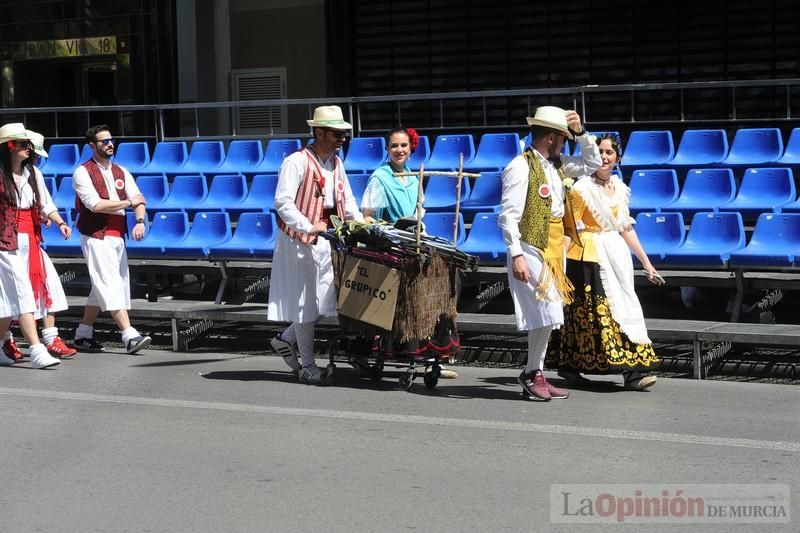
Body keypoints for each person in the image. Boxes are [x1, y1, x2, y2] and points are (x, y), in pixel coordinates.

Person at [498, 106, 601, 401]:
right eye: (565, 138)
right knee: (548, 311)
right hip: (531, 243)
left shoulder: (557, 164)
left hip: (554, 245)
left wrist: (582, 134)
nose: (566, 143)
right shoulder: (519, 167)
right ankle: (532, 373)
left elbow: (592, 163)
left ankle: (534, 372)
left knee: (549, 314)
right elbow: (508, 216)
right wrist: (516, 253)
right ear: (553, 138)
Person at [545, 134, 661, 390]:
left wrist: (646, 262)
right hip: (587, 257)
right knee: (595, 314)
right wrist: (557, 266)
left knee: (624, 308)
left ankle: (574, 367)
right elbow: (570, 229)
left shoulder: (619, 188)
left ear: (617, 157)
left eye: (610, 152)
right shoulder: (580, 189)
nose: (605, 157)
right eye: (600, 152)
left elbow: (625, 227)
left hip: (615, 256)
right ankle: (630, 374)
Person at [267, 105, 363, 384]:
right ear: (319, 132)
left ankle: (284, 339)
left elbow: (348, 198)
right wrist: (308, 226)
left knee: (323, 302)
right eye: (337, 133)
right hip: (299, 240)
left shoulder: (336, 163)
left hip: (325, 238)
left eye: (344, 133)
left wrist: (359, 224)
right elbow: (283, 202)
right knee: (305, 304)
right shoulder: (296, 161)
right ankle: (308, 366)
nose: (342, 139)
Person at [359, 126, 458, 379]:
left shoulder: (414, 177)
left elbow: (419, 213)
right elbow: (369, 217)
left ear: (411, 148)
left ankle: (433, 353)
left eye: (403, 145)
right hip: (391, 247)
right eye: (394, 146)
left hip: (414, 243)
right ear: (387, 149)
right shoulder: (380, 178)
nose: (399, 150)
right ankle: (411, 352)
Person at [71, 124, 151, 354]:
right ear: (91, 146)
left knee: (101, 286)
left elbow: (139, 197)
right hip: (96, 235)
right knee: (110, 284)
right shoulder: (82, 172)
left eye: (111, 140)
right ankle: (129, 335)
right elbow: (96, 205)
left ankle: (83, 334)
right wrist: (128, 203)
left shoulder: (121, 171)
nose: (109, 144)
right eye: (104, 141)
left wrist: (139, 220)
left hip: (117, 235)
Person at [1, 129, 77, 362]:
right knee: (21, 293)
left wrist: (60, 222)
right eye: (23, 143)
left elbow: (46, 204)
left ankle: (14, 341)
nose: (28, 147)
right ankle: (37, 349)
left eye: (29, 144)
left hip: (31, 240)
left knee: (38, 289)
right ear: (10, 146)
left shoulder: (33, 173)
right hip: (6, 242)